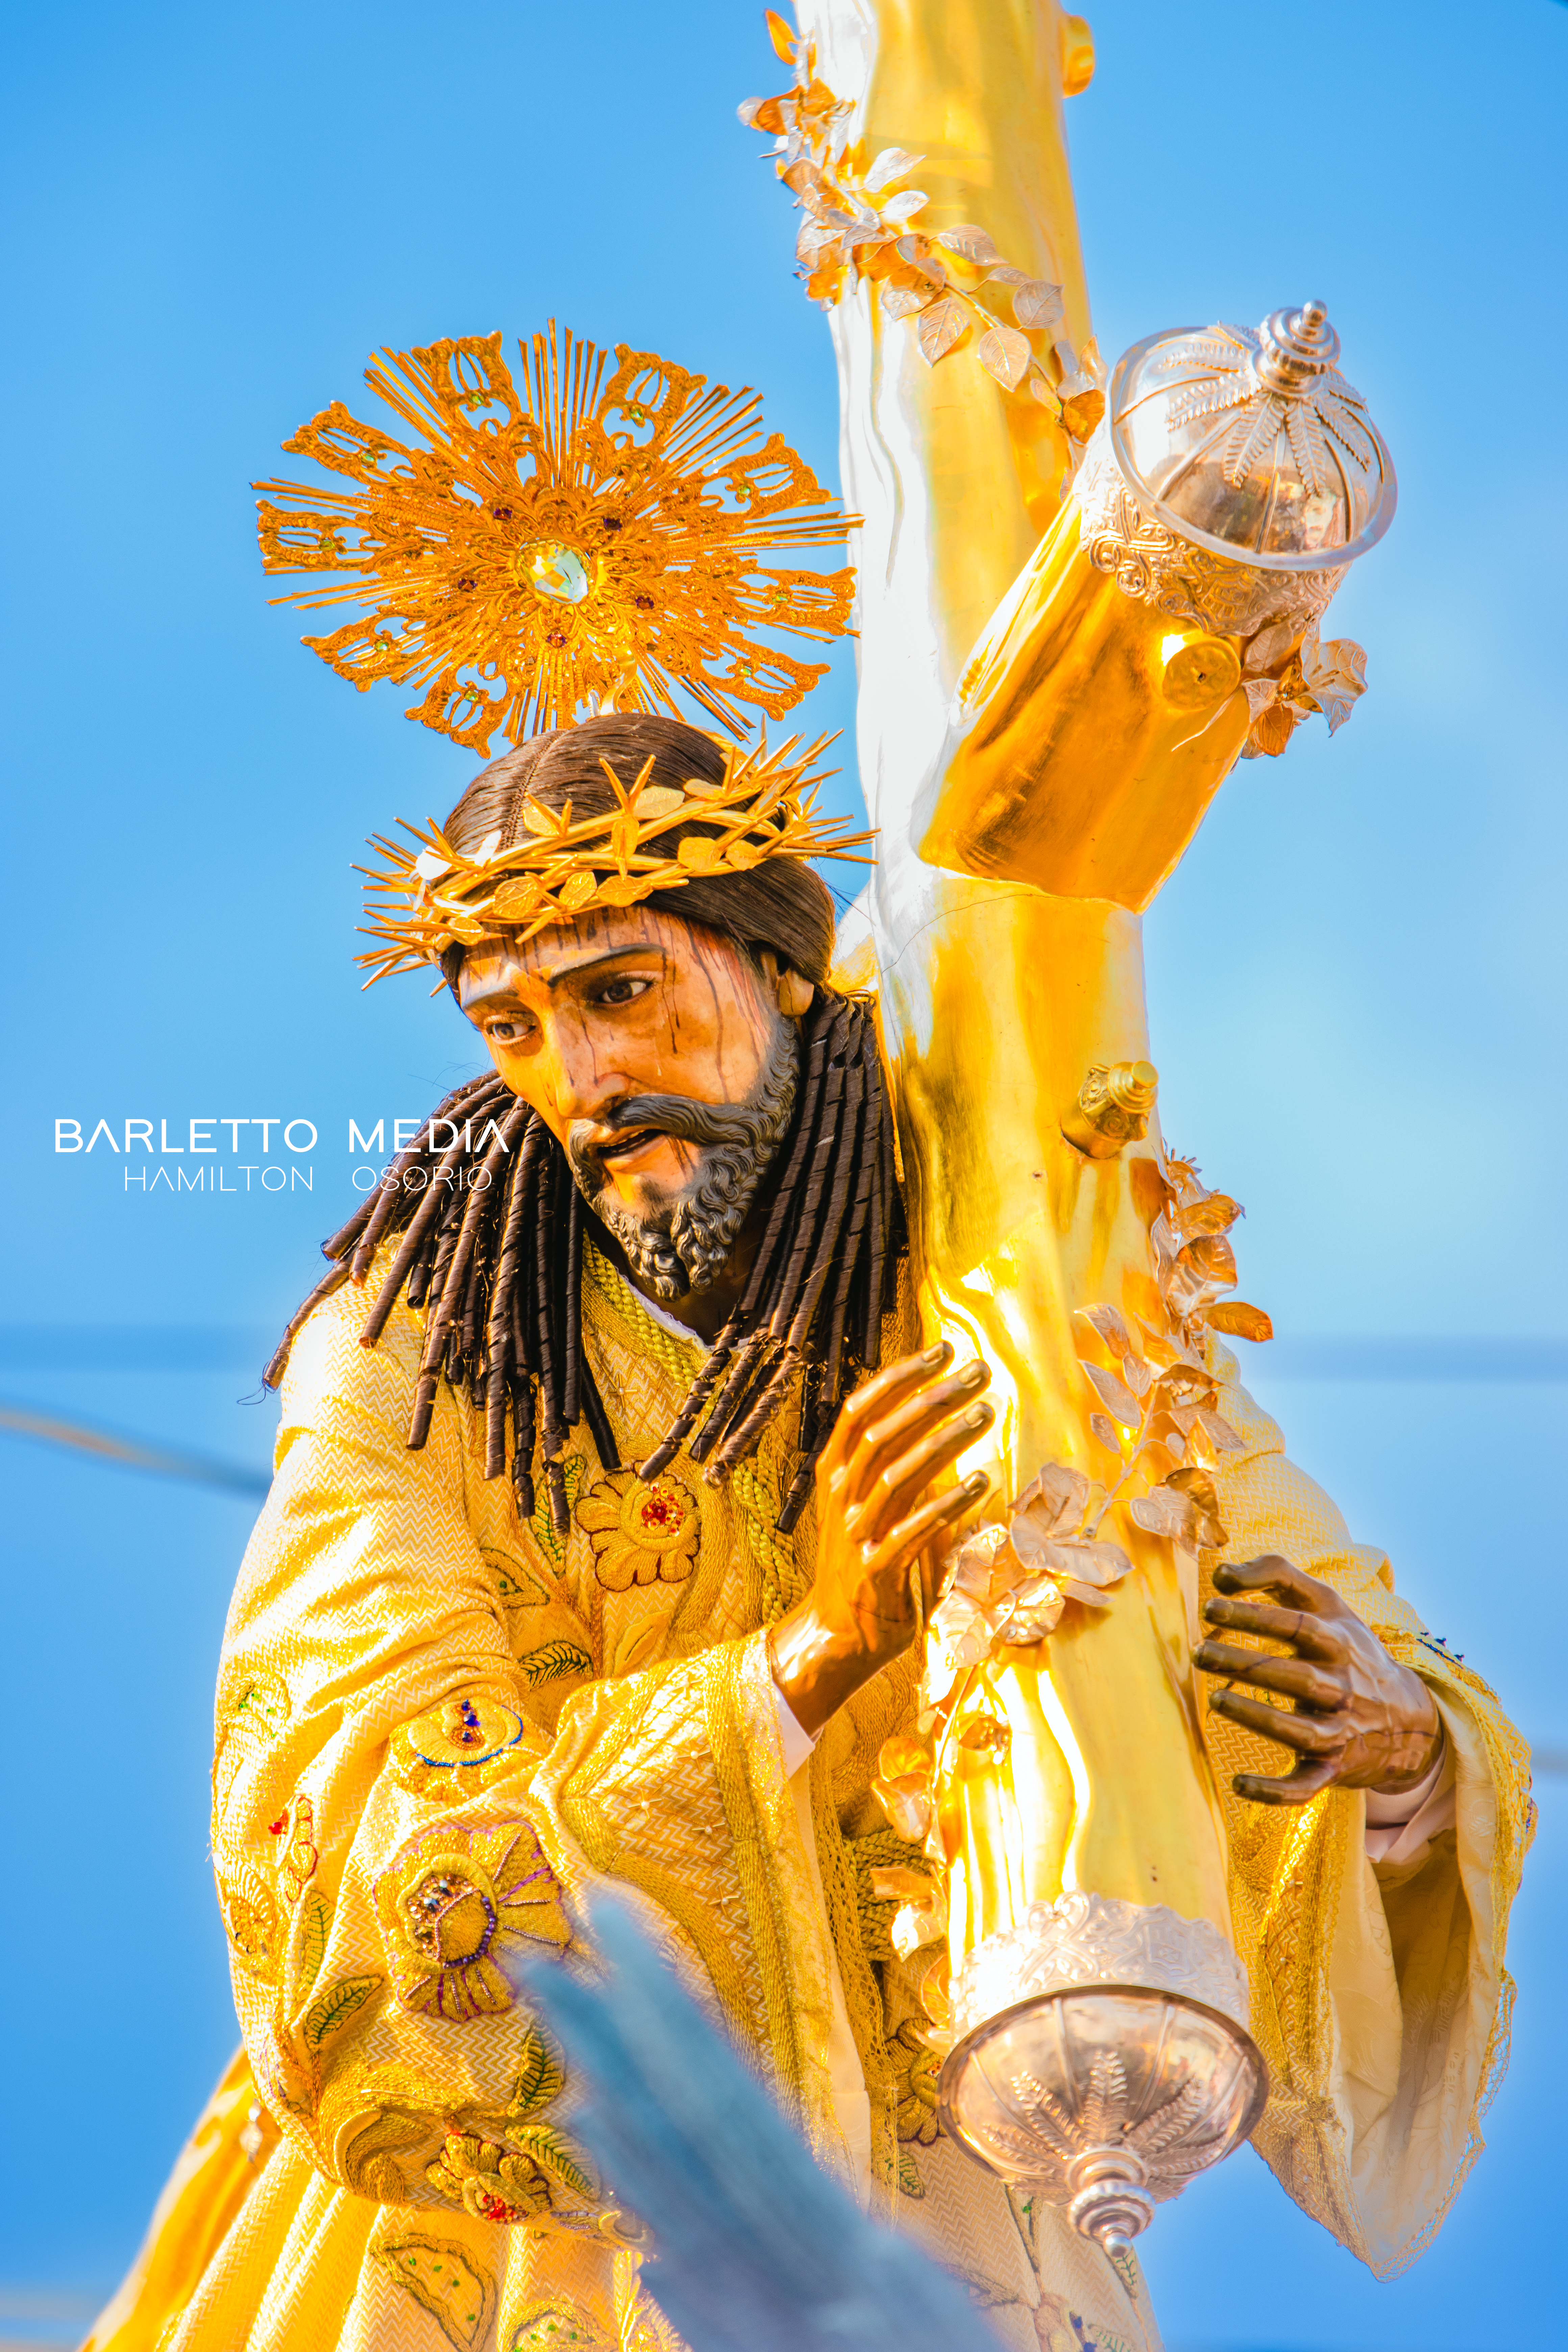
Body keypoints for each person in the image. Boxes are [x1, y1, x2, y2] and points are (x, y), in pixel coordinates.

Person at [87, 709, 1529, 2352]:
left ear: (775, 963)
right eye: (513, 1026)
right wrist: (809, 1658)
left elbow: (1307, 1609)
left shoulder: (1016, 1274)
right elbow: (340, 1840)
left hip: (964, 2209)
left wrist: (1396, 1752)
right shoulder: (417, 1354)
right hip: (534, 2244)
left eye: (619, 994)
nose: (582, 1083)